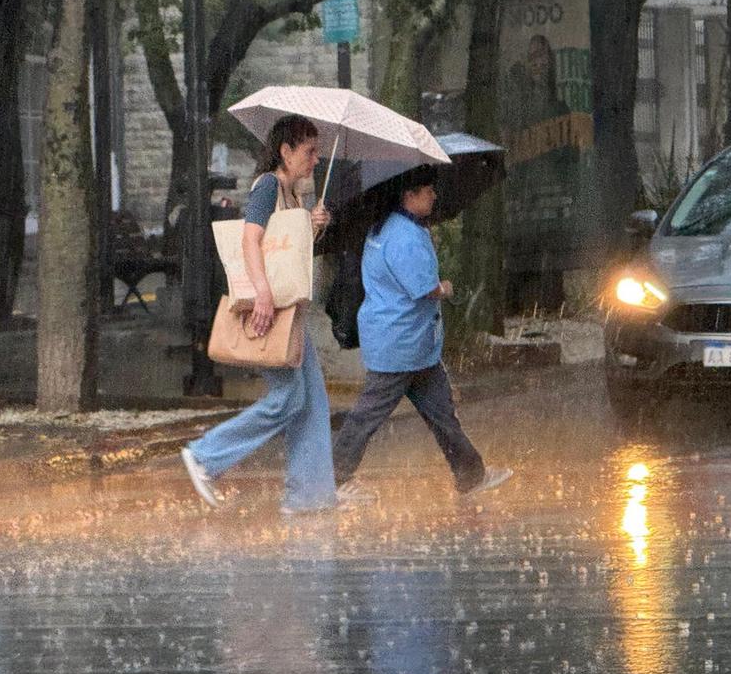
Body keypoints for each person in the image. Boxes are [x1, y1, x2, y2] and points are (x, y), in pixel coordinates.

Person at [181, 115, 342, 515]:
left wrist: (312, 225)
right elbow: (251, 239)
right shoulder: (268, 186)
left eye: (318, 151)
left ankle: (308, 497)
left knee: (313, 402)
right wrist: (263, 296)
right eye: (309, 151)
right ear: (285, 151)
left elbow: (285, 251)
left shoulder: (293, 195)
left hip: (288, 313)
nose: (316, 159)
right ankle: (205, 454)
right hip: (270, 311)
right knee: (291, 398)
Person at [331, 165, 513, 497]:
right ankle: (334, 478)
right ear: (409, 195)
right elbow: (423, 288)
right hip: (401, 345)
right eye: (427, 189)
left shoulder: (386, 227)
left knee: (441, 413)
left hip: (409, 344)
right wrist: (445, 287)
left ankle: (471, 475)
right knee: (367, 416)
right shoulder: (404, 236)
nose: (433, 194)